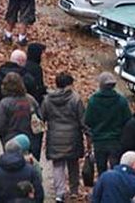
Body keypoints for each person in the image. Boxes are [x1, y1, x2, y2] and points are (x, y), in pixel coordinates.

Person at [40, 72, 86, 203]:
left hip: (55, 137)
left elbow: (42, 117)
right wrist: (88, 134)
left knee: (58, 165)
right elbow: (82, 119)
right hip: (73, 137)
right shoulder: (75, 99)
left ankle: (59, 193)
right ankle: (74, 191)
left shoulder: (48, 99)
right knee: (73, 164)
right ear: (69, 84)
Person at [85, 72, 132, 175]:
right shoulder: (121, 101)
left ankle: (104, 188)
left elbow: (87, 121)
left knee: (101, 170)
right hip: (116, 141)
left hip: (99, 141)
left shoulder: (93, 101)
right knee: (116, 169)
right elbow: (128, 120)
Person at [0, 73, 41, 154]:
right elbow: (39, 118)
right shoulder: (31, 100)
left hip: (10, 140)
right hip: (29, 139)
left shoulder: (5, 103)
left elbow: (0, 126)